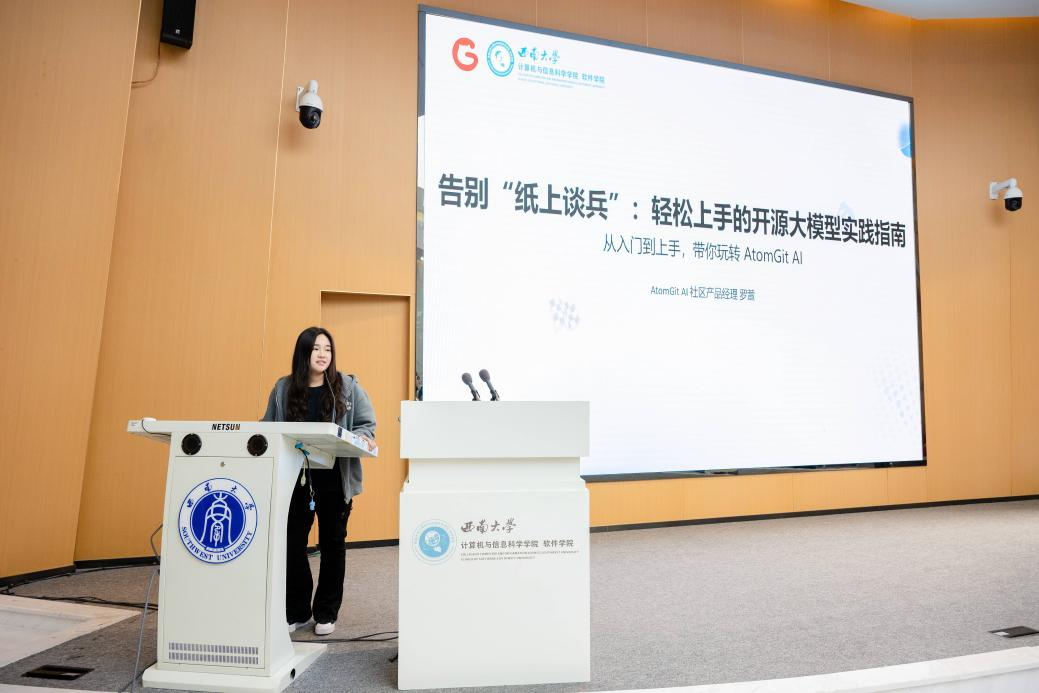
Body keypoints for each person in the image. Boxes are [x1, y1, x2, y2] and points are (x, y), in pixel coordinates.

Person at [262, 326, 376, 636]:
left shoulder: (347, 387)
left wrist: (359, 437)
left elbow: (366, 426)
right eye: (315, 349)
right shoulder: (283, 388)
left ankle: (326, 612)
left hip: (335, 478)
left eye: (327, 349)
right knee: (291, 544)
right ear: (303, 353)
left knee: (332, 544)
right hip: (295, 478)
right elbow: (267, 426)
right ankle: (297, 611)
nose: (323, 354)